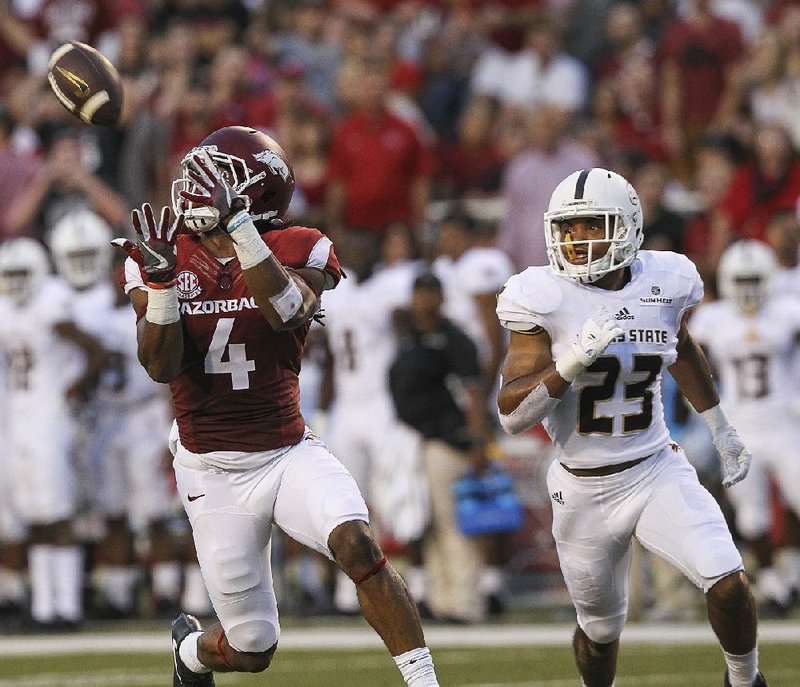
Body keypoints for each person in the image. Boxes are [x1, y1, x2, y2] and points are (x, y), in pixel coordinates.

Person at [113, 125, 439, 687]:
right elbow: (160, 367)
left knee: (357, 541)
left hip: (285, 452)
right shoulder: (164, 253)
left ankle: (424, 683)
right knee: (251, 647)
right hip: (210, 468)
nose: (196, 187)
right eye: (198, 173)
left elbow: (289, 310)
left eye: (219, 179)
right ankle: (192, 653)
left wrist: (240, 231)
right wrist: (163, 284)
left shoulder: (301, 244)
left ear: (255, 195)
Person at [495, 167, 767, 687]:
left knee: (727, 581)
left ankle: (745, 679)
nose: (577, 241)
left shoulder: (668, 279)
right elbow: (512, 415)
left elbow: (680, 347)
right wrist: (572, 361)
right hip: (582, 487)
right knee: (599, 630)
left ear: (628, 226)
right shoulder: (541, 296)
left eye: (591, 225)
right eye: (568, 229)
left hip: (655, 469)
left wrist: (720, 427)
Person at [690, 240, 800, 614]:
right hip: (740, 430)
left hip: (785, 424)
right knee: (752, 514)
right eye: (742, 279)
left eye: (755, 278)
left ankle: (792, 571)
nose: (749, 287)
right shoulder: (713, 319)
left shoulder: (788, 311)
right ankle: (772, 583)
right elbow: (695, 368)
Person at [389, 271, 490, 624]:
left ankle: (466, 602)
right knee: (426, 524)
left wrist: (478, 441)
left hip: (449, 441)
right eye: (419, 294)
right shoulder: (410, 337)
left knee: (454, 524)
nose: (424, 302)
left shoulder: (455, 340)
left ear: (442, 298)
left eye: (430, 294)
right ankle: (442, 600)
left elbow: (473, 393)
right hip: (416, 441)